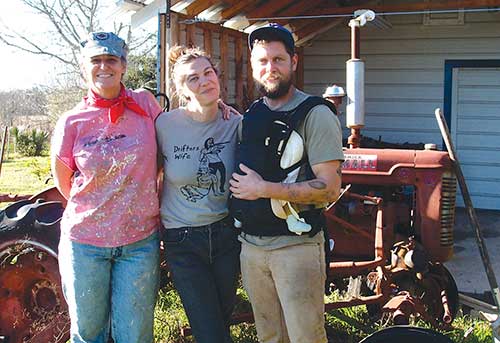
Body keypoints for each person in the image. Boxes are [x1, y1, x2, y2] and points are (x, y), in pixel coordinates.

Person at [229, 23, 344, 343]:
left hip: (297, 248)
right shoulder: (250, 115)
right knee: (269, 336)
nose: (270, 68)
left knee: (305, 337)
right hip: (252, 248)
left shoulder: (316, 113)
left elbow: (330, 188)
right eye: (262, 61)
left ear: (294, 61)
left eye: (278, 59)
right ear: (253, 66)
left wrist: (264, 189)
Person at [51, 31, 162, 343]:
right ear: (84, 67)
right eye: (95, 60)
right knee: (89, 334)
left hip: (139, 243)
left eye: (111, 59)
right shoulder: (72, 121)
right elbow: (64, 182)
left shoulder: (145, 105)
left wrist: (217, 107)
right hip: (85, 245)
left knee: (135, 335)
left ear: (123, 65)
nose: (104, 67)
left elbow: (175, 137)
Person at [155, 45, 241, 343]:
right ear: (182, 91)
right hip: (183, 239)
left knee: (221, 319)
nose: (204, 81)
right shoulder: (165, 125)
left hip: (225, 235)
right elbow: (148, 175)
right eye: (193, 79)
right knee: (209, 330)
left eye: (208, 73)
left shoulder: (235, 123)